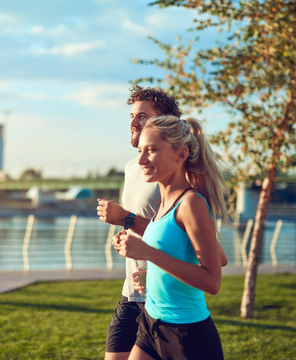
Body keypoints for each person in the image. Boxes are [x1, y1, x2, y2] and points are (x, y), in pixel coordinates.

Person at [113, 115, 228, 360]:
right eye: (141, 151)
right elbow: (173, 253)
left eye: (152, 151)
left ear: (181, 154)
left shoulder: (191, 204)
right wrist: (152, 273)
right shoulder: (163, 203)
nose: (141, 160)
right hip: (151, 323)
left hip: (188, 335)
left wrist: (148, 253)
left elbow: (212, 281)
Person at [96, 85, 182, 360]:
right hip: (131, 293)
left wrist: (126, 218)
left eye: (142, 116)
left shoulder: (178, 171)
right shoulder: (132, 167)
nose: (133, 122)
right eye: (132, 115)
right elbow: (142, 222)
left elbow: (181, 237)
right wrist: (124, 234)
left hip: (163, 294)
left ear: (165, 123)